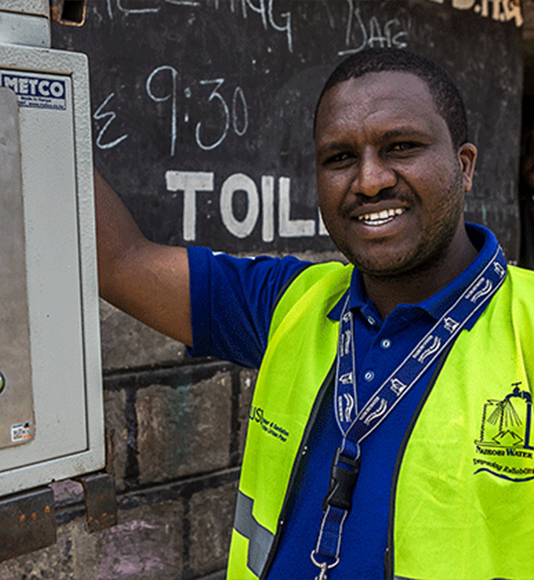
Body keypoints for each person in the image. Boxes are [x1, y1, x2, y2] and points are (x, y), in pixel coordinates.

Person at [95, 48, 534, 580]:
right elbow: (121, 262)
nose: (370, 180)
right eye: (340, 158)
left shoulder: (525, 324)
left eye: (401, 147)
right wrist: (15, 86)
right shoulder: (289, 301)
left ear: (463, 167)